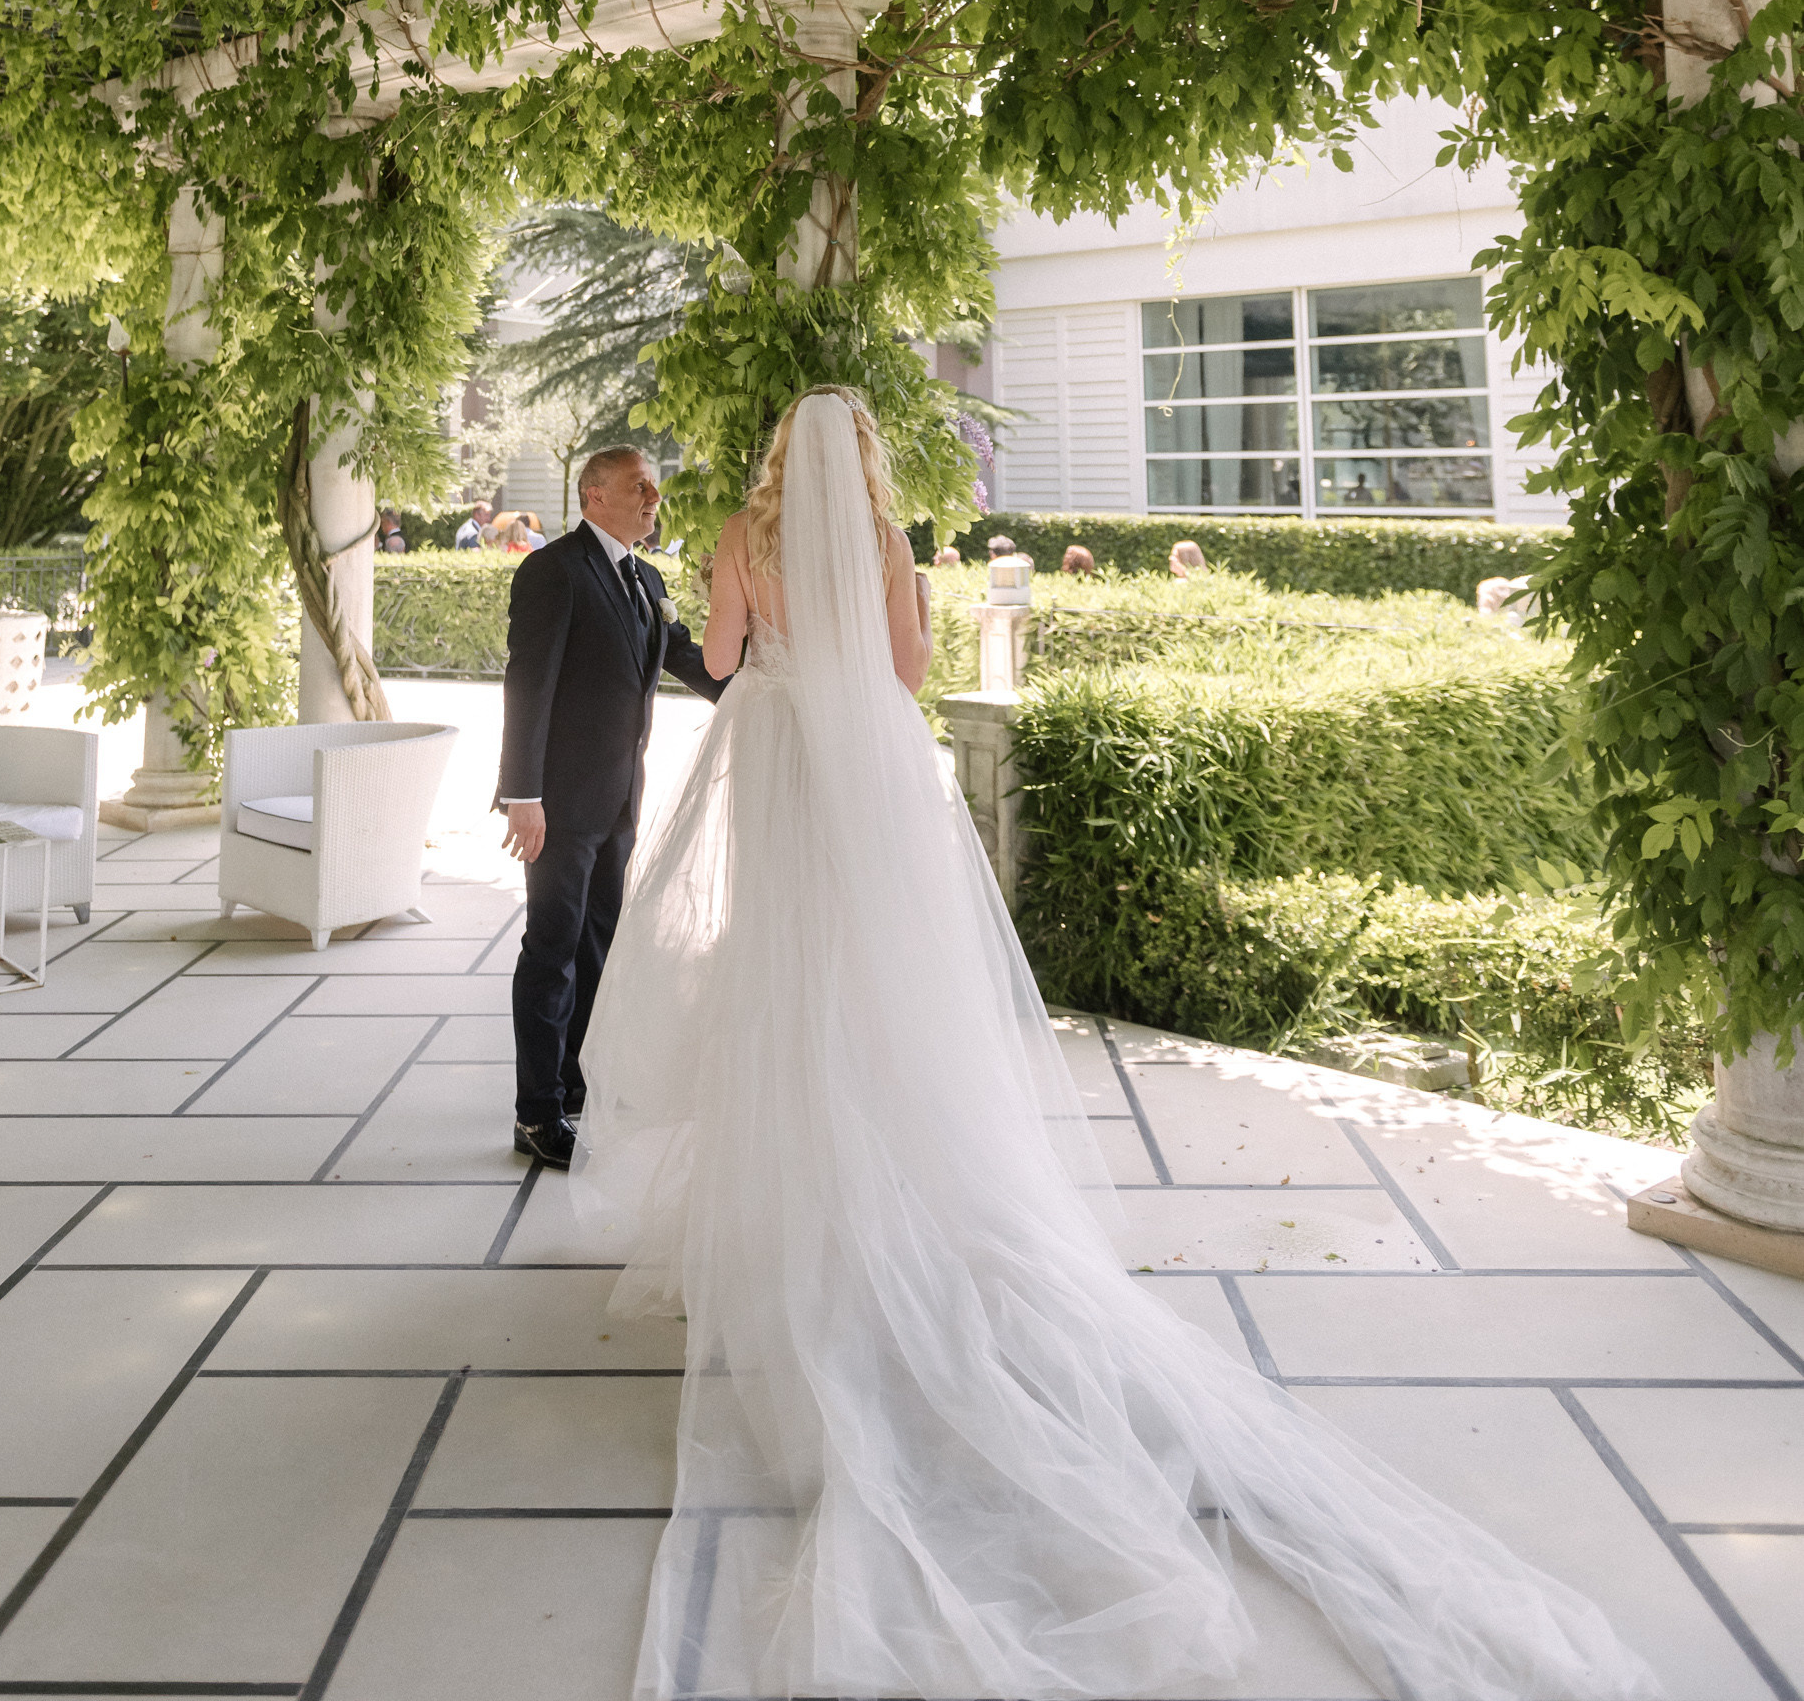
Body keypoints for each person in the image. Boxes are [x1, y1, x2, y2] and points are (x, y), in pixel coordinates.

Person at [575, 388, 1656, 1701]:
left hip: (779, 765)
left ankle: (797, 1221)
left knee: (782, 977)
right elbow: (906, 674)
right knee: (882, 980)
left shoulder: (740, 542)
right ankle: (912, 1192)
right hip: (866, 765)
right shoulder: (884, 541)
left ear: (771, 460)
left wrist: (768, 640)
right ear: (856, 457)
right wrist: (879, 644)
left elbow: (724, 660)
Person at [494, 445, 729, 1172]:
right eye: (639, 486)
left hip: (620, 797)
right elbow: (527, 685)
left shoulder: (646, 577)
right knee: (552, 948)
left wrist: (767, 689)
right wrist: (522, 796)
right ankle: (537, 1114)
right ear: (594, 494)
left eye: (653, 487)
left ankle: (576, 1084)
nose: (654, 498)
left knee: (598, 943)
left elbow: (687, 659)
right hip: (558, 802)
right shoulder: (554, 570)